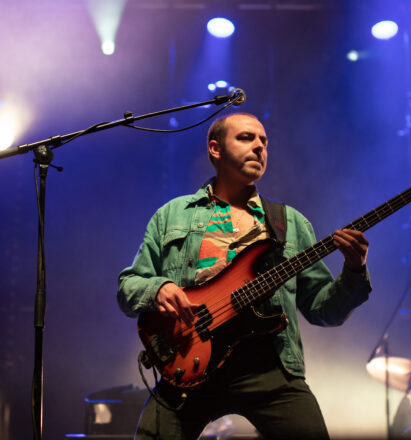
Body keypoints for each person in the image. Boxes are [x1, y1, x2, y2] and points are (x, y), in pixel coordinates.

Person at [117, 112, 371, 440]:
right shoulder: (172, 215)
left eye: (264, 141)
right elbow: (128, 286)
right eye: (246, 138)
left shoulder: (288, 222)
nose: (259, 147)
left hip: (270, 368)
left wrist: (353, 270)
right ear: (215, 148)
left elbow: (324, 310)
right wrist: (158, 288)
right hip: (189, 360)